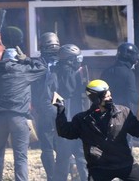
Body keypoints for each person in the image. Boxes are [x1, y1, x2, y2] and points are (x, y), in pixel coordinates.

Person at [55, 79, 139, 181]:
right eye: (105, 97)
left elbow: (137, 131)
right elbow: (65, 131)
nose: (109, 98)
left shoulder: (123, 112)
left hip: (123, 163)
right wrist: (60, 111)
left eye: (109, 95)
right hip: (99, 167)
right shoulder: (83, 120)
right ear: (95, 98)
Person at [0, 48, 46, 181]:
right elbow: (43, 68)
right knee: (20, 157)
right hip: (18, 118)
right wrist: (26, 59)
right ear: (17, 59)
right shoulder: (24, 70)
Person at [53, 44, 88, 181]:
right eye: (77, 58)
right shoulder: (66, 74)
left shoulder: (55, 71)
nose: (79, 60)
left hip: (65, 121)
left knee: (63, 158)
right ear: (69, 59)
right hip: (71, 121)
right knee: (79, 156)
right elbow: (67, 91)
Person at [30, 32, 60, 181]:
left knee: (47, 146)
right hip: (62, 109)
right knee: (62, 143)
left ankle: (52, 177)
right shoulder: (65, 61)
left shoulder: (38, 63)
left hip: (45, 109)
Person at [100, 42, 139, 112]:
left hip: (105, 111)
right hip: (121, 113)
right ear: (132, 58)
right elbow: (133, 97)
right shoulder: (129, 74)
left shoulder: (106, 71)